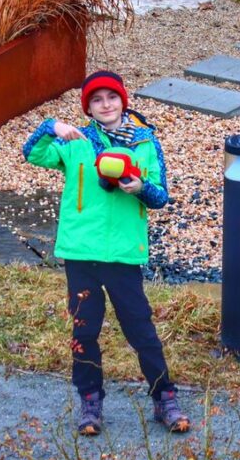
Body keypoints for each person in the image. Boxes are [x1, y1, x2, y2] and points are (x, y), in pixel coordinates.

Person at [22, 70, 190, 436]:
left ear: (122, 101)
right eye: (96, 100)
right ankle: (90, 401)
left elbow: (162, 196)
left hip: (123, 253)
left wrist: (140, 188)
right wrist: (52, 126)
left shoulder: (146, 142)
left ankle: (164, 397)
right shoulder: (76, 141)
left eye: (111, 98)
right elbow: (30, 153)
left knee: (140, 329)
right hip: (81, 252)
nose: (106, 105)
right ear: (89, 107)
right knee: (85, 329)